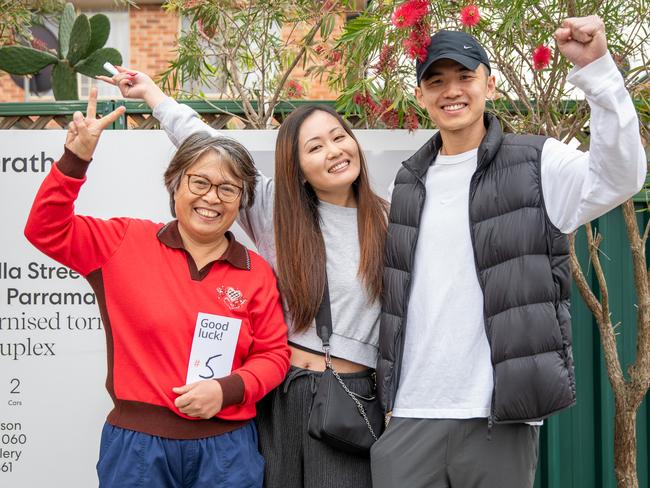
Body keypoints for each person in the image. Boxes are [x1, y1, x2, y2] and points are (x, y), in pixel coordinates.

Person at [370, 15, 647, 488]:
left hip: (498, 419)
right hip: (411, 413)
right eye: (436, 81)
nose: (451, 91)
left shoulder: (538, 162)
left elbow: (621, 178)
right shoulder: (408, 181)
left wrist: (598, 71)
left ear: (490, 84)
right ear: (420, 96)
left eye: (464, 77)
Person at [99, 69, 388, 487]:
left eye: (340, 136)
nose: (334, 151)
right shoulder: (276, 209)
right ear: (298, 167)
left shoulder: (391, 220)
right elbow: (206, 146)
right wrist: (154, 96)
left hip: (350, 394)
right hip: (281, 393)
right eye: (315, 146)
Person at [24, 88, 291, 488]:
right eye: (199, 182)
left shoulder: (256, 273)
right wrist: (74, 160)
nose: (211, 198)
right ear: (174, 184)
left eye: (227, 188)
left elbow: (273, 355)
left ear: (241, 200)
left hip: (227, 451)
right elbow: (45, 230)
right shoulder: (122, 242)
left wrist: (228, 390)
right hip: (137, 451)